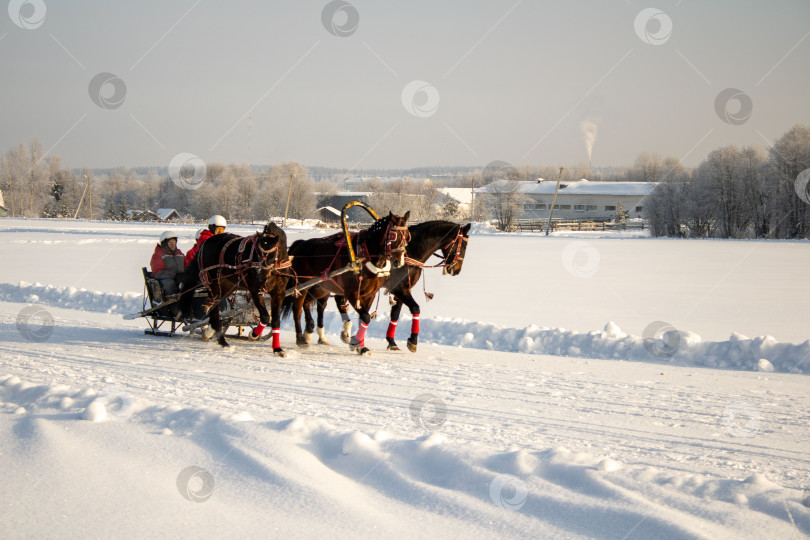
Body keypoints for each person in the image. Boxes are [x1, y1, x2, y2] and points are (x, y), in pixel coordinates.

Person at [150, 231, 185, 298]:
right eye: (170, 242)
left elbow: (187, 265)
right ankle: (172, 300)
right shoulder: (158, 255)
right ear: (164, 243)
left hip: (180, 277)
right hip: (166, 279)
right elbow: (159, 273)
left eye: (174, 242)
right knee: (170, 283)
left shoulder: (179, 253)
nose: (173, 244)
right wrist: (174, 276)